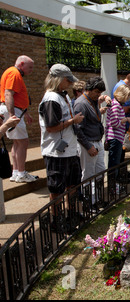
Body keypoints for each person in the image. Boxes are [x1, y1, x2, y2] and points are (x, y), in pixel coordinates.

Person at [38, 64, 84, 203]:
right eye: (67, 80)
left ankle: (73, 216)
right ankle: (57, 222)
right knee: (57, 189)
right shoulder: (51, 99)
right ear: (57, 79)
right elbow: (51, 127)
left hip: (70, 150)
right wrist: (73, 121)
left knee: (73, 184)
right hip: (56, 153)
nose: (70, 83)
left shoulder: (62, 96)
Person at [0, 55, 38, 183]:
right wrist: (12, 115)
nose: (31, 70)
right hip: (13, 111)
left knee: (17, 142)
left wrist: (24, 113)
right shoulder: (14, 73)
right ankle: (21, 173)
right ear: (21, 64)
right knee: (23, 142)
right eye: (30, 67)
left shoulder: (13, 73)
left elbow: (14, 96)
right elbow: (8, 93)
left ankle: (16, 172)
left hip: (16, 110)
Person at [73, 77, 111, 182]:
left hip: (97, 141)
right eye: (97, 92)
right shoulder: (81, 104)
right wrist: (88, 146)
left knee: (100, 171)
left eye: (100, 92)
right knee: (88, 175)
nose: (98, 95)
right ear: (89, 89)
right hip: (89, 143)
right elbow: (78, 129)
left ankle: (98, 197)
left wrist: (105, 97)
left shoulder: (93, 100)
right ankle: (90, 198)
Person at [111, 72, 130, 161]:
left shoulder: (123, 87)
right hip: (121, 125)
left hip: (124, 124)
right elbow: (120, 107)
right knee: (119, 154)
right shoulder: (120, 87)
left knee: (122, 152)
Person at [106, 84, 130, 170]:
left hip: (117, 138)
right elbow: (115, 123)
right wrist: (127, 119)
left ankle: (114, 181)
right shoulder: (116, 105)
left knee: (115, 162)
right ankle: (112, 182)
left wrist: (129, 118)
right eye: (127, 96)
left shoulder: (116, 104)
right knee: (114, 163)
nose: (127, 98)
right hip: (115, 138)